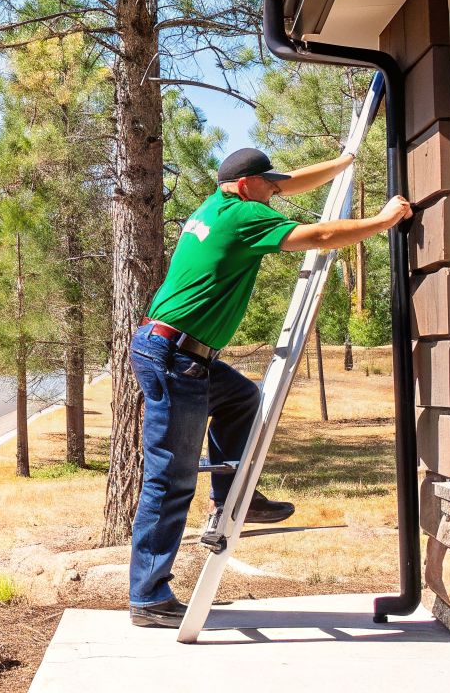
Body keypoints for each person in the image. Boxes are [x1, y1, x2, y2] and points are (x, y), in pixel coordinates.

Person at [128, 146, 412, 628]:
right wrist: (384, 220)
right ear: (246, 187)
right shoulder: (243, 216)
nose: (276, 196)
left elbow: (293, 179)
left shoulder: (215, 206)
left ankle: (233, 495)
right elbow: (320, 234)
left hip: (175, 350)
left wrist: (343, 164)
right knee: (170, 478)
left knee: (242, 397)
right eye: (269, 188)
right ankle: (149, 597)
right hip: (176, 358)